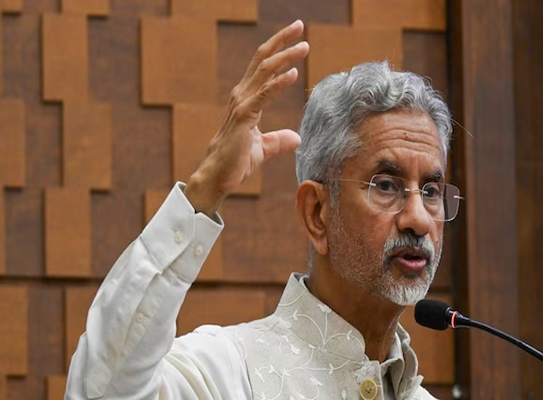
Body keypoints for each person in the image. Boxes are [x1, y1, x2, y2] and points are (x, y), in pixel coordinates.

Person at [65, 19, 460, 400]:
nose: (418, 219)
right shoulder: (227, 373)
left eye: (430, 191)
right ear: (317, 214)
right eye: (386, 186)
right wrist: (205, 188)